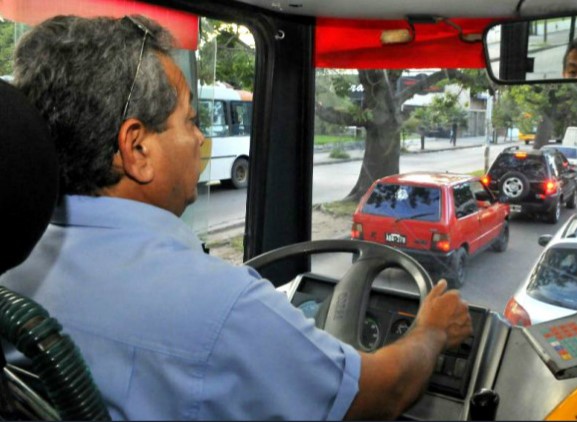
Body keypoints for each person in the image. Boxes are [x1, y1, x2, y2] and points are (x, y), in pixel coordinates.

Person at [0, 15, 473, 420]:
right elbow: (380, 395)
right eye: (190, 120)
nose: (200, 139)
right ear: (137, 148)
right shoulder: (222, 310)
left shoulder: (12, 261)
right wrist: (432, 331)